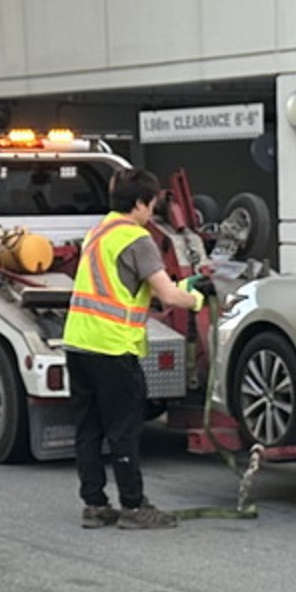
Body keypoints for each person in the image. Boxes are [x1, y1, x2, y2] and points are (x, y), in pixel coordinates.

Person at [63, 167, 213, 530]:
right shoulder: (137, 239)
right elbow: (167, 293)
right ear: (140, 203)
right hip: (113, 348)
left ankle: (95, 505)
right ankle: (133, 506)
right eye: (152, 205)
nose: (153, 212)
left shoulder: (99, 231)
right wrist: (196, 299)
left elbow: (122, 285)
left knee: (89, 430)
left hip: (78, 342)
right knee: (124, 430)